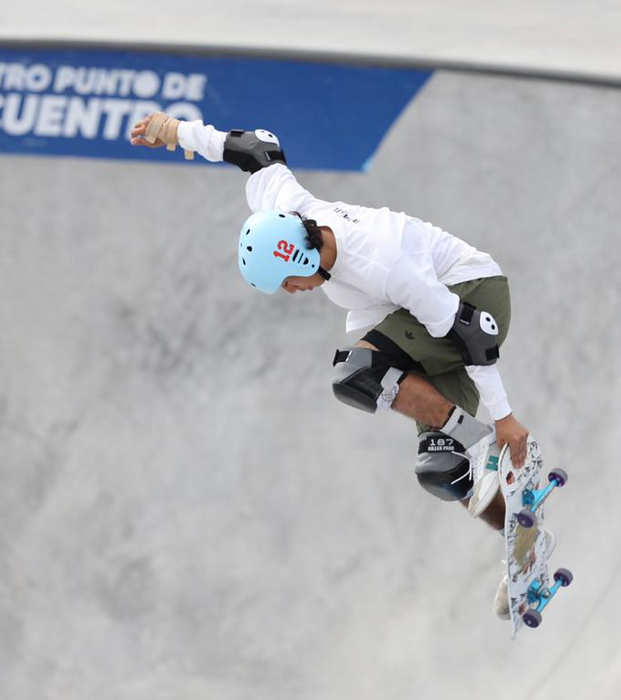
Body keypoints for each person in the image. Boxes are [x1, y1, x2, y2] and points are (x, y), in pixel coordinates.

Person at [129, 112, 548, 620]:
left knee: (356, 372)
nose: (290, 293)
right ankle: (522, 540)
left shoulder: (383, 262)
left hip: (473, 296)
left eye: (286, 283)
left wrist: (503, 419)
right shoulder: (287, 214)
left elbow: (473, 333)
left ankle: (480, 441)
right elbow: (254, 149)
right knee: (441, 470)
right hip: (415, 325)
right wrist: (174, 132)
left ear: (302, 263)